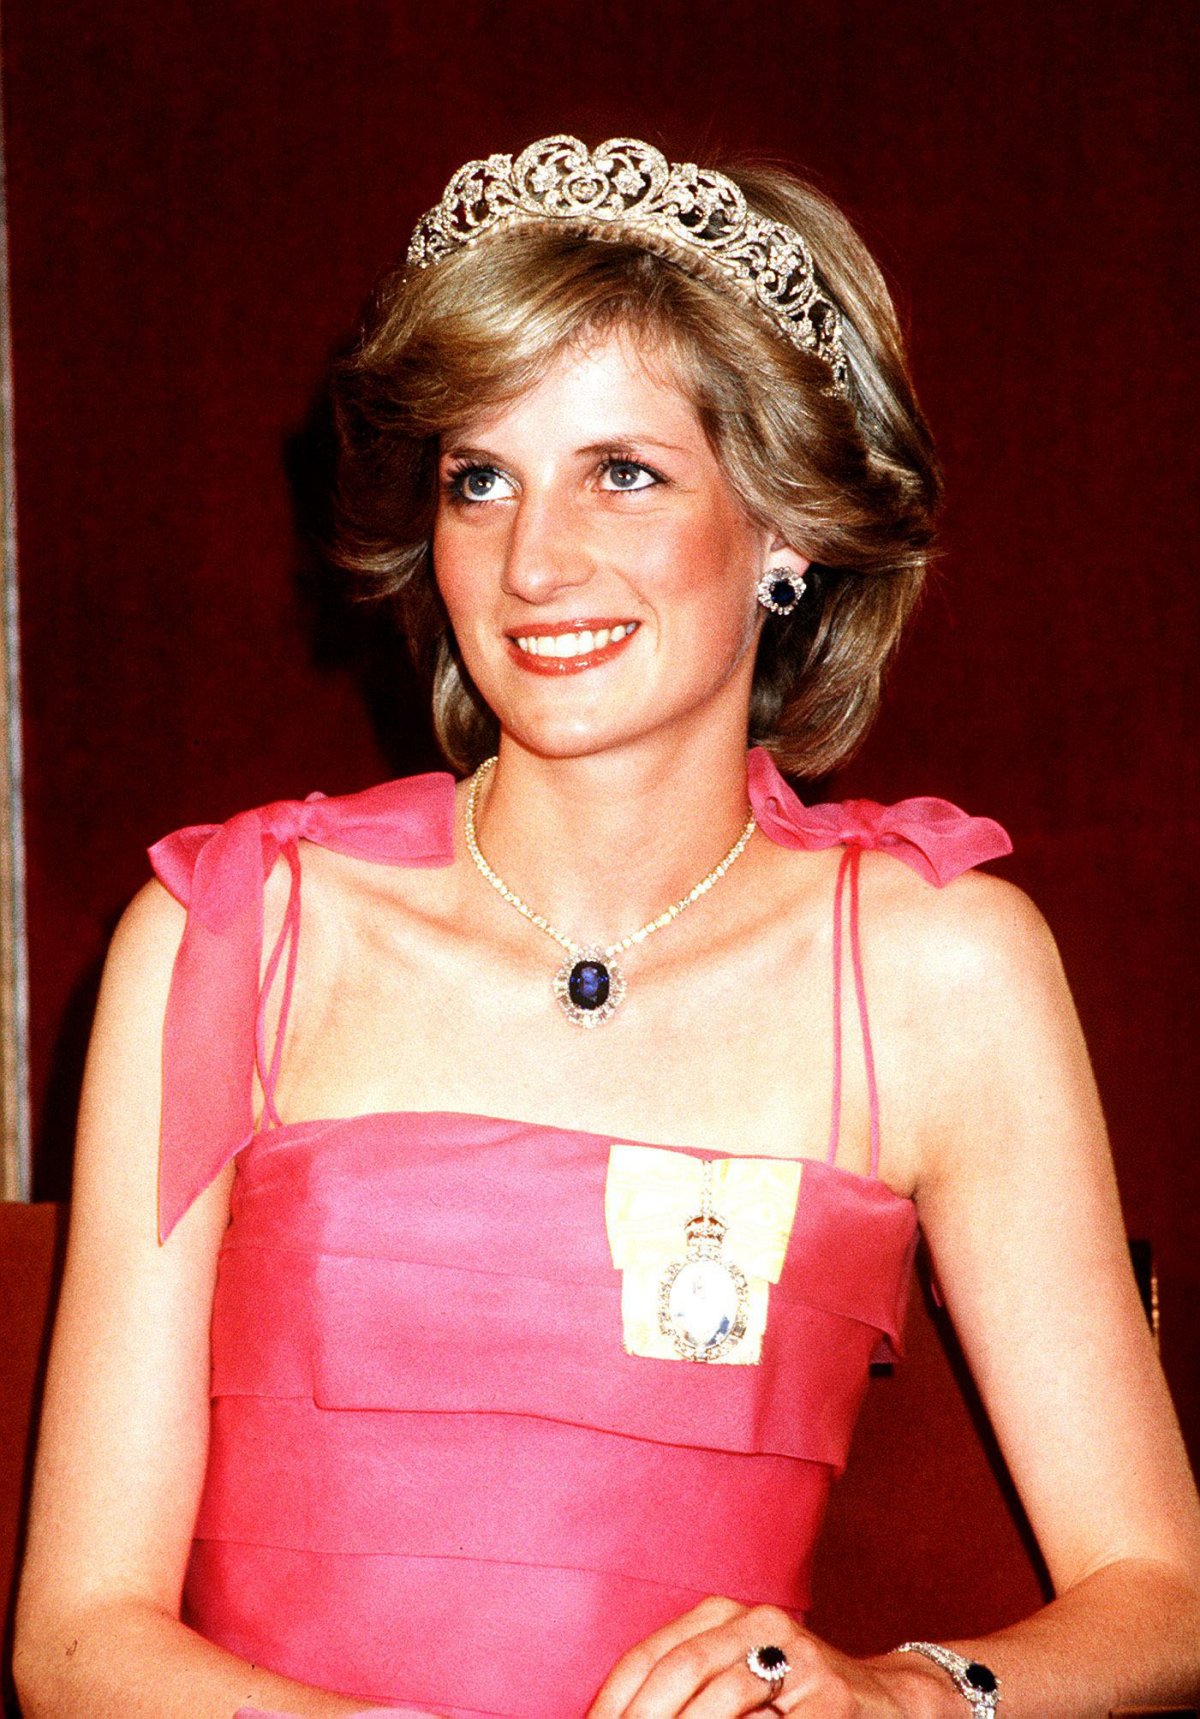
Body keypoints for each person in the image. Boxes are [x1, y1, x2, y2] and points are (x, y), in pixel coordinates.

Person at [13, 134, 1200, 1718]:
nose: (533, 561)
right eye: (479, 478)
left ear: (787, 531)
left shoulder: (940, 971)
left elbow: (1167, 1594)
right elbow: (77, 1638)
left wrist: (906, 1699)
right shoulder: (233, 935)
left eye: (623, 473)